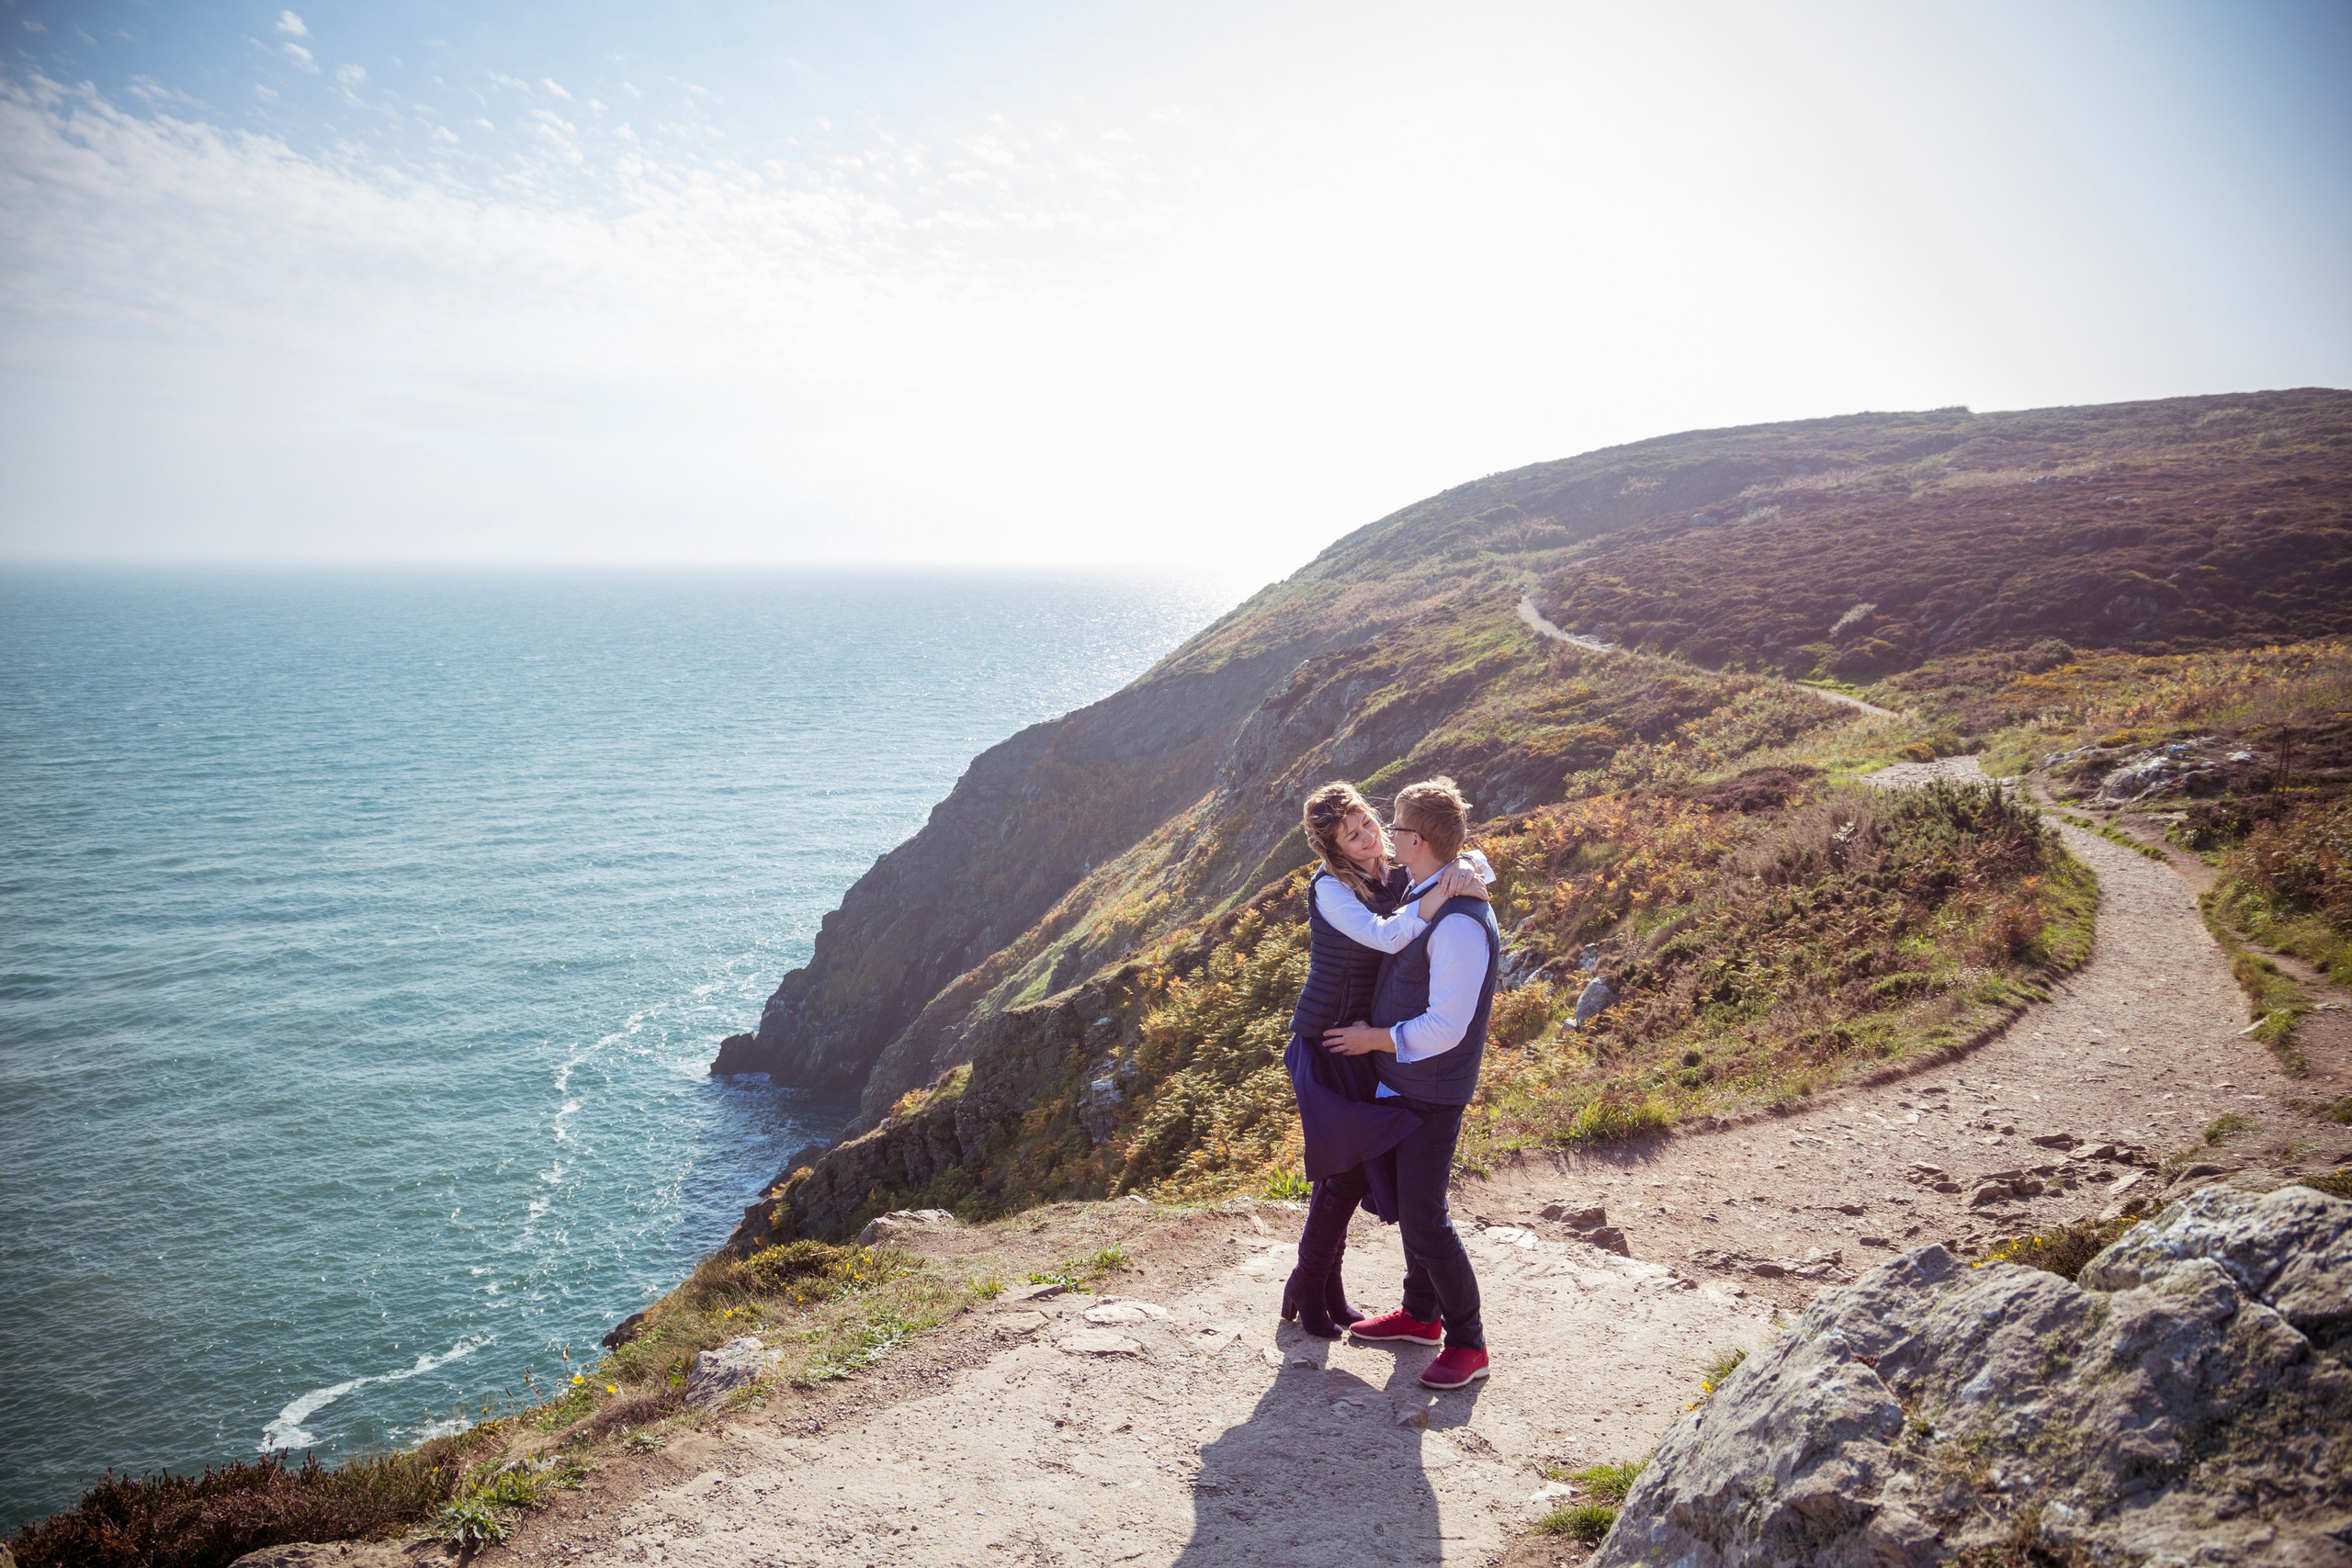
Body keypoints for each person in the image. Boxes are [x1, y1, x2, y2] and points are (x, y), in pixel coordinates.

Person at [1282, 782, 1489, 1340]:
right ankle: (1311, 1283)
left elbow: (1454, 859)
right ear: (1334, 849)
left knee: (1348, 1170)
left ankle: (1318, 1285)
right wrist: (1440, 897)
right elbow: (1387, 936)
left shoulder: (1387, 874)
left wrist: (1465, 870)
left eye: (1370, 823)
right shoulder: (1331, 888)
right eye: (1354, 836)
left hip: (1365, 1039)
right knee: (1345, 1171)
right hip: (1331, 1041)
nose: (1371, 836)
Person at [1324, 776, 1501, 1389]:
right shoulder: (1429, 887)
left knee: (1425, 1216)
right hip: (1408, 1081)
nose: (1386, 835)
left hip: (1431, 1087)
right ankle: (1421, 1314)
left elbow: (1447, 1027)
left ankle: (1469, 1342)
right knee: (1409, 1204)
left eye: (1395, 826)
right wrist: (1472, 864)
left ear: (1417, 840)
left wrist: (1374, 1038)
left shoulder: (1458, 923)